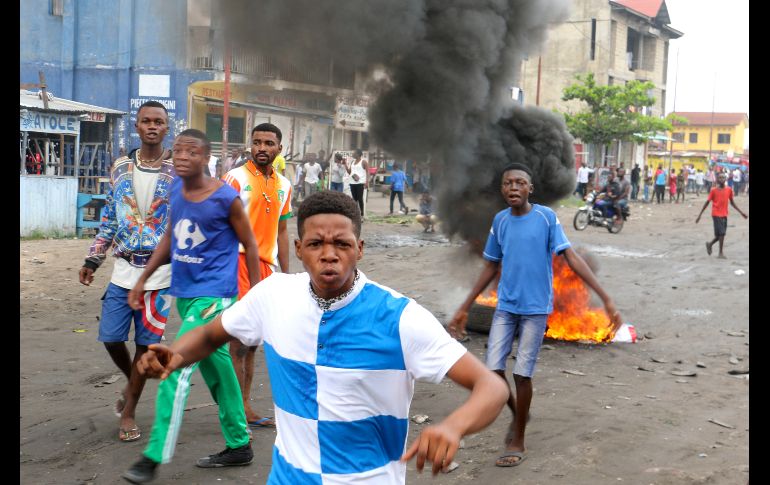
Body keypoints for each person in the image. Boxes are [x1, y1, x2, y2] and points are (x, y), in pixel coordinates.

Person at [130, 190, 509, 483]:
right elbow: (212, 334)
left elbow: (492, 388)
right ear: (298, 249)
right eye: (316, 244)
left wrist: (453, 427)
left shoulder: (400, 318)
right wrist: (176, 356)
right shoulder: (273, 296)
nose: (329, 254)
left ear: (359, 249)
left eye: (341, 244)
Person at [447, 163, 621, 468]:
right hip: (505, 308)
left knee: (522, 374)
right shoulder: (500, 221)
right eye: (507, 184)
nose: (513, 188)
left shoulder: (545, 218)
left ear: (530, 189)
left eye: (519, 183)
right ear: (502, 190)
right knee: (493, 373)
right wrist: (464, 306)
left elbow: (571, 257)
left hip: (536, 310)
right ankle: (518, 413)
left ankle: (518, 437)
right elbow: (490, 266)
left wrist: (605, 298)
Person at [122, 129, 261, 484]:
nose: (182, 156)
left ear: (205, 157)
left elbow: (250, 243)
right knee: (220, 370)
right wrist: (143, 278)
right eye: (178, 150)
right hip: (185, 294)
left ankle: (152, 457)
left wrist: (257, 296)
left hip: (214, 297)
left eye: (192, 151)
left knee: (174, 366)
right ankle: (239, 443)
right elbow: (171, 235)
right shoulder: (177, 191)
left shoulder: (225, 198)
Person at [78, 100, 174, 443]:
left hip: (160, 275)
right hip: (123, 270)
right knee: (111, 337)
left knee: (147, 348)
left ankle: (129, 410)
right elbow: (110, 219)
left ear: (166, 128)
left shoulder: (178, 171)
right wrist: (93, 259)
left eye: (158, 122)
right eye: (146, 121)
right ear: (137, 126)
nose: (152, 126)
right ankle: (133, 379)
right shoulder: (120, 168)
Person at [223, 122, 293, 428]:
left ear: (279, 148)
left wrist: (286, 278)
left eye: (268, 143)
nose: (262, 148)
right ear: (250, 146)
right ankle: (238, 411)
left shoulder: (285, 186)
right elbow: (219, 220)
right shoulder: (235, 178)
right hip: (237, 263)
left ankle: (245, 406)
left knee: (253, 343)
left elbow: (283, 230)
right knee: (238, 340)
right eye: (256, 142)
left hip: (267, 269)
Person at [695, 171, 748, 259]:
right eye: (720, 177)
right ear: (717, 179)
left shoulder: (729, 190)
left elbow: (732, 203)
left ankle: (709, 244)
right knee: (722, 234)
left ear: (726, 179)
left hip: (724, 214)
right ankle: (720, 253)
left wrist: (741, 212)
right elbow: (707, 202)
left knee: (719, 235)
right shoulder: (713, 190)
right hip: (716, 214)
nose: (722, 179)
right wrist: (700, 215)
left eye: (723, 177)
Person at [346, 148, 369, 217]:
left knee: (360, 198)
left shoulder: (363, 162)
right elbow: (349, 172)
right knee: (354, 199)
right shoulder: (352, 162)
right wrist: (345, 165)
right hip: (352, 182)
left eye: (354, 153)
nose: (353, 154)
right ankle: (355, 214)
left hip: (360, 183)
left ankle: (362, 215)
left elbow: (368, 172)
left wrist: (367, 182)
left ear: (358, 154)